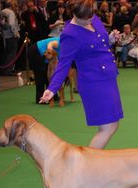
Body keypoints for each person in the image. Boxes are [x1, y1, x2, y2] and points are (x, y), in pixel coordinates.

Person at [40, 0, 123, 149]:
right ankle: (88, 165)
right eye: (86, 18)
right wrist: (52, 89)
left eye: (92, 15)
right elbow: (64, 64)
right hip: (93, 82)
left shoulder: (93, 17)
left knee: (112, 124)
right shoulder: (69, 34)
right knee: (108, 127)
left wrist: (110, 39)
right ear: (75, 15)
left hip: (108, 76)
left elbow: (100, 42)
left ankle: (89, 164)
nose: (90, 20)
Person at [28, 37, 60, 104]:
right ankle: (40, 98)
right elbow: (50, 44)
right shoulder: (61, 42)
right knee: (40, 75)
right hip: (36, 51)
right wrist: (49, 50)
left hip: (44, 55)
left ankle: (52, 95)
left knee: (49, 75)